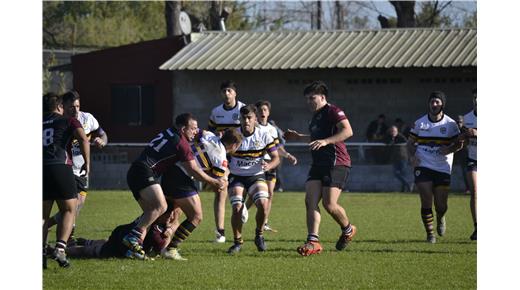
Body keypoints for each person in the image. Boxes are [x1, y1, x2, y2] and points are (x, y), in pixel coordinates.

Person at [122, 115, 225, 259]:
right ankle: (132, 237)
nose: (196, 132)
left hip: (136, 171)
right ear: (183, 129)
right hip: (144, 172)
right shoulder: (181, 143)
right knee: (161, 207)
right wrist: (214, 182)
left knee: (150, 215)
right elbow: (193, 170)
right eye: (193, 129)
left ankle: (133, 249)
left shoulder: (169, 132)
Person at [284, 81, 357, 256]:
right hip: (318, 164)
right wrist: (298, 137)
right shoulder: (315, 117)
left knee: (329, 204)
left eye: (312, 98)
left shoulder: (333, 111)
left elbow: (348, 131)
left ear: (323, 97)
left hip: (336, 162)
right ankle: (313, 241)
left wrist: (326, 141)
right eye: (307, 99)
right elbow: (316, 138)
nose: (309, 101)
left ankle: (348, 229)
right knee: (310, 201)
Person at [159, 115, 242, 259]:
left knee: (169, 214)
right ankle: (171, 249)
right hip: (182, 177)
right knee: (196, 217)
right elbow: (217, 181)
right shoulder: (221, 158)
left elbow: (198, 132)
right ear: (234, 145)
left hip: (171, 170)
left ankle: (147, 242)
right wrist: (226, 175)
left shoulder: (209, 135)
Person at [47, 90, 108, 243]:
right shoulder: (59, 121)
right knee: (70, 206)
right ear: (62, 106)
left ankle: (56, 230)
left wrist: (102, 141)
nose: (75, 110)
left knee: (77, 205)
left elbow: (103, 134)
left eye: (77, 106)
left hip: (81, 169)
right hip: (65, 168)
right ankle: (66, 239)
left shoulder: (87, 118)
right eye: (71, 107)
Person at [407, 91, 462, 244]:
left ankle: (441, 217)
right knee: (426, 199)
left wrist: (449, 150)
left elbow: (459, 144)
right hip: (423, 165)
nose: (434, 104)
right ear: (429, 104)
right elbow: (410, 143)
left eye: (437, 101)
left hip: (442, 167)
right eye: (432, 101)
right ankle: (430, 234)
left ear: (442, 104)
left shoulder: (450, 125)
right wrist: (412, 156)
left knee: (441, 204)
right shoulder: (420, 123)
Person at [43, 92, 90, 268]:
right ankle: (60, 248)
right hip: (60, 166)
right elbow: (83, 139)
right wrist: (88, 163)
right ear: (59, 107)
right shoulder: (68, 120)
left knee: (42, 215)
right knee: (70, 208)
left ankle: (40, 254)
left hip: (41, 169)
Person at [226, 104, 280, 254]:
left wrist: (269, 166)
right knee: (237, 208)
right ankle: (237, 242)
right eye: (244, 118)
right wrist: (223, 171)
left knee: (263, 203)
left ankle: (259, 235)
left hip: (256, 175)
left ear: (255, 119)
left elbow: (276, 158)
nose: (246, 121)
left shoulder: (264, 135)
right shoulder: (233, 135)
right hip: (236, 176)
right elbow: (222, 154)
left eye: (249, 118)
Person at [241, 100, 298, 232]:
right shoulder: (253, 127)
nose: (262, 112)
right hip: (258, 164)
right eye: (260, 110)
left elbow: (277, 147)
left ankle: (265, 221)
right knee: (256, 193)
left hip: (271, 164)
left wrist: (288, 155)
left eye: (265, 110)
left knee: (270, 193)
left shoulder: (272, 129)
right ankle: (243, 209)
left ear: (268, 113)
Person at [207, 80, 246, 243]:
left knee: (244, 185)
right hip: (221, 155)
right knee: (220, 190)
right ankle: (220, 231)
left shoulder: (243, 109)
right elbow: (210, 133)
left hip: (242, 156)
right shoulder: (216, 112)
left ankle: (242, 208)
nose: (226, 94)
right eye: (224, 91)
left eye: (229, 90)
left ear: (235, 93)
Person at [462, 88, 477, 240]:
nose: (477, 100)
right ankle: (477, 227)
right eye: (474, 98)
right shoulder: (467, 118)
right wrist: (463, 136)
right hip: (473, 159)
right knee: (475, 192)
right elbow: (465, 139)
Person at [384, 125, 411, 192]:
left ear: (397, 131)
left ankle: (404, 188)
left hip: (403, 157)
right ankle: (408, 184)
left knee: (402, 173)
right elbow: (386, 142)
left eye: (394, 131)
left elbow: (406, 142)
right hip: (395, 158)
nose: (393, 132)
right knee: (396, 173)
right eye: (392, 131)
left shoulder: (400, 136)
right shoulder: (389, 137)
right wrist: (392, 139)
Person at [454, 115, 470, 194]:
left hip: (469, 154)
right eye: (457, 122)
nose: (458, 124)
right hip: (460, 155)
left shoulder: (466, 130)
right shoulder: (453, 131)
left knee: (469, 171)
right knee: (464, 172)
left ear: (463, 122)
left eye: (460, 122)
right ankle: (468, 188)